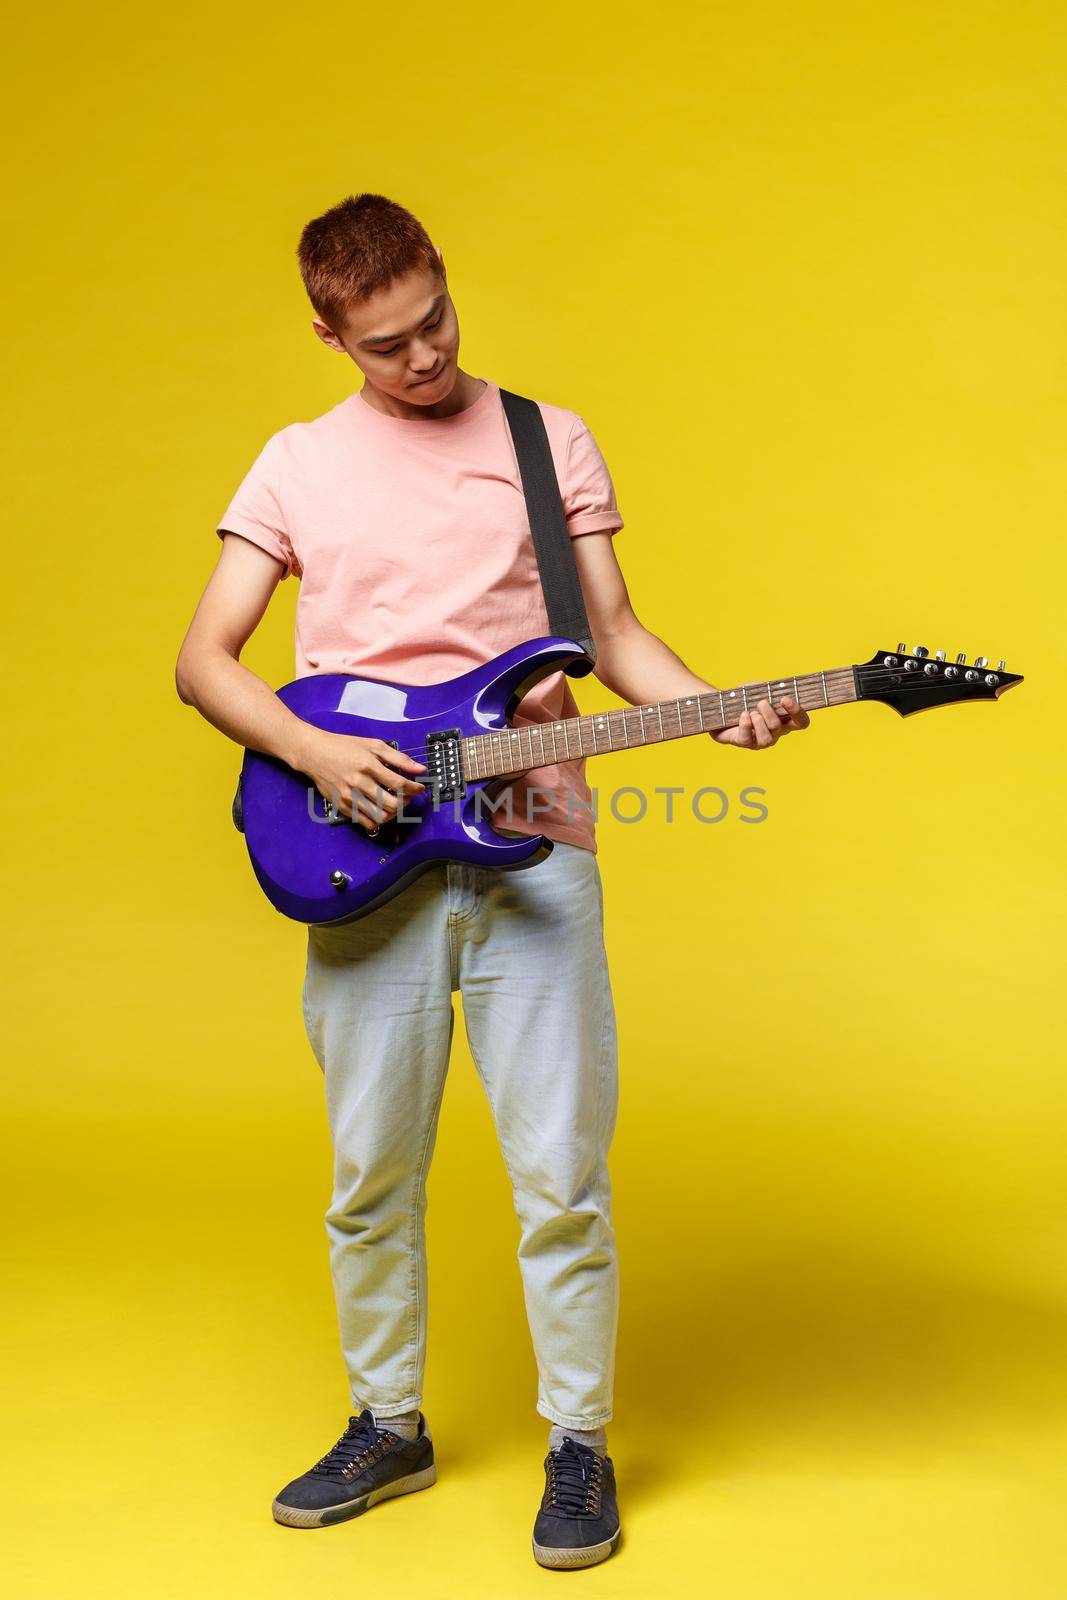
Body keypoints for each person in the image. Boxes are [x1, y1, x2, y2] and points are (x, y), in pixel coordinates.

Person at [175, 192, 810, 1569]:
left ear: (448, 282)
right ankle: (386, 1423)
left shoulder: (545, 439)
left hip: (537, 850)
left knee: (561, 1173)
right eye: (387, 343)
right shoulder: (293, 462)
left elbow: (617, 635)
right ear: (331, 332)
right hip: (362, 852)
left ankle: (579, 1447)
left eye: (437, 320)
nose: (422, 358)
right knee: (368, 1173)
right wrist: (313, 751)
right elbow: (208, 657)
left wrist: (724, 706)